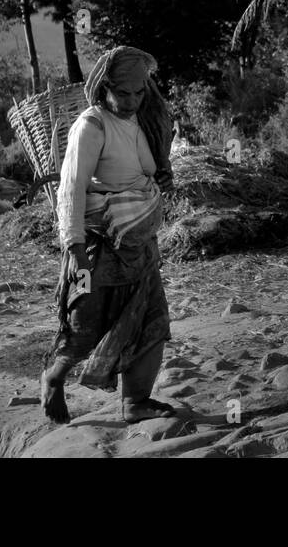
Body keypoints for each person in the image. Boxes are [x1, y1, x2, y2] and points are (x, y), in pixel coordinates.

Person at [40, 45, 176, 424]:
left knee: (151, 321)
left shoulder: (144, 122)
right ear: (104, 88)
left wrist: (159, 178)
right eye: (123, 93)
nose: (132, 100)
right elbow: (72, 187)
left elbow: (143, 171)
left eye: (138, 92)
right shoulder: (92, 125)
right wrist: (75, 248)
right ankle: (54, 378)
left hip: (139, 245)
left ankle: (136, 402)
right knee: (86, 325)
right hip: (96, 248)